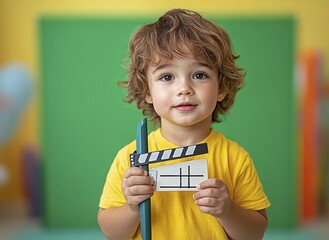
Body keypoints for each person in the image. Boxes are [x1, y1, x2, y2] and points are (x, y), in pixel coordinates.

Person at [98, 8, 270, 240]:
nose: (184, 88)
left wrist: (228, 210)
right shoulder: (130, 158)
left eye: (199, 75)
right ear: (147, 91)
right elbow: (112, 234)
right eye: (167, 77)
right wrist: (131, 207)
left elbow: (255, 234)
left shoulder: (236, 158)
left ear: (221, 87)